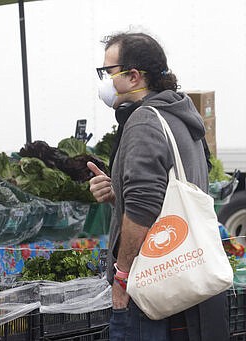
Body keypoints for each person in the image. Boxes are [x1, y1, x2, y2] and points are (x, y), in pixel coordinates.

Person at [87, 32, 228, 340]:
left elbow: (143, 208)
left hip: (154, 290)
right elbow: (164, 193)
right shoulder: (180, 115)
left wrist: (122, 277)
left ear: (133, 76)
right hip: (189, 280)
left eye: (107, 72)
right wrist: (117, 195)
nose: (105, 81)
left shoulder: (144, 121)